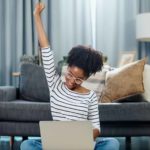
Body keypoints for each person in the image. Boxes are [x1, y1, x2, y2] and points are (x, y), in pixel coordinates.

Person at [20, 3, 120, 150]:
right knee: (27, 144)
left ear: (86, 78)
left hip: (82, 145)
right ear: (67, 67)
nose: (71, 81)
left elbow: (96, 128)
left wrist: (80, 140)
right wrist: (36, 16)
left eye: (78, 79)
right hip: (57, 145)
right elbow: (45, 48)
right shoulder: (55, 85)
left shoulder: (90, 96)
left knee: (112, 143)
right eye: (69, 75)